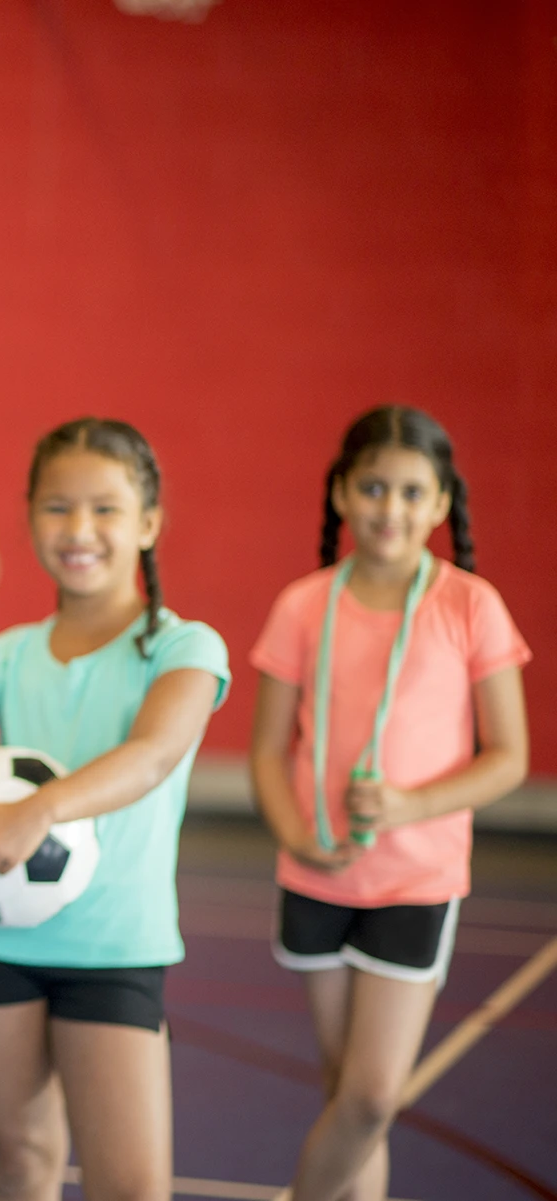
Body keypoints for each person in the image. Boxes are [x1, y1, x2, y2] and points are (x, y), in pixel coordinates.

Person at [0, 418, 228, 1201]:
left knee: (130, 1186)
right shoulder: (0, 656)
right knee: (18, 1162)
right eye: (58, 507)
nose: (80, 530)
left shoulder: (185, 648)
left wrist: (37, 811)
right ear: (32, 516)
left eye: (106, 509)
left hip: (113, 949)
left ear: (148, 523)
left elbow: (151, 756)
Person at [248, 406, 529, 1201]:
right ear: (341, 493)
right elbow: (268, 749)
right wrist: (295, 832)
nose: (390, 508)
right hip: (316, 878)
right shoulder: (304, 604)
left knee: (371, 1097)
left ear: (441, 504)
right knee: (346, 1093)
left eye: (412, 492)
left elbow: (510, 757)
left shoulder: (470, 604)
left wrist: (409, 805)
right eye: (373, 487)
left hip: (416, 880)